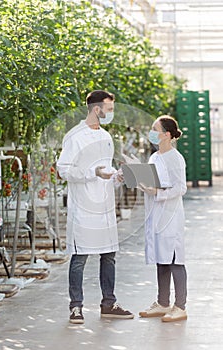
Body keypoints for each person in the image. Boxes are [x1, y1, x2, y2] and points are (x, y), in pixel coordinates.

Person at [57, 90, 134, 324]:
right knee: (80, 257)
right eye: (109, 109)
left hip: (105, 206)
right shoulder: (75, 136)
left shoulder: (106, 136)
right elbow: (64, 169)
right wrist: (93, 173)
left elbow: (105, 170)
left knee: (108, 255)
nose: (111, 113)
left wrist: (115, 176)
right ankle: (76, 306)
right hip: (84, 207)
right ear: (96, 108)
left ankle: (108, 303)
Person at [125, 115, 187, 322]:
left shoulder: (175, 158)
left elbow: (180, 188)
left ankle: (180, 306)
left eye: (155, 129)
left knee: (174, 260)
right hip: (155, 214)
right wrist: (139, 180)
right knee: (161, 259)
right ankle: (162, 303)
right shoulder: (155, 157)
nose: (152, 133)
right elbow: (150, 181)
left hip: (170, 215)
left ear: (167, 134)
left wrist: (158, 192)